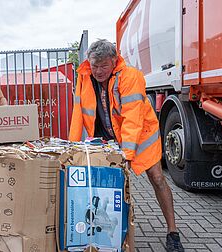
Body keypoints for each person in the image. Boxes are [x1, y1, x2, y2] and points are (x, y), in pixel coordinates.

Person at [69, 39, 184, 252]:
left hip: (141, 136)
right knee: (110, 185)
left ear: (114, 61)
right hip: (107, 139)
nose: (98, 71)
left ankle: (172, 231)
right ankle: (114, 233)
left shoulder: (130, 76)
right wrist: (73, 148)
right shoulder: (84, 76)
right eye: (95, 66)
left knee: (157, 178)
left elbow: (132, 117)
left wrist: (127, 154)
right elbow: (78, 113)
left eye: (104, 66)